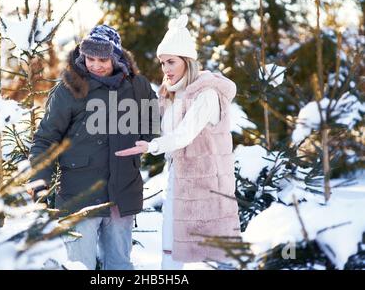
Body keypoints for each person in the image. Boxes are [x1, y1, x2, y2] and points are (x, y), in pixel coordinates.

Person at [28, 24, 159, 270]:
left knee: (120, 264)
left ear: (117, 56)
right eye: (90, 58)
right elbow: (46, 138)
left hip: (123, 191)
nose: (96, 65)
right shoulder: (69, 89)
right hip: (80, 196)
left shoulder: (138, 86)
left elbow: (152, 125)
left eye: (103, 59)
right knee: (80, 265)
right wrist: (39, 182)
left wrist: (141, 141)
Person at [115, 14, 240, 269]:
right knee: (171, 248)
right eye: (162, 63)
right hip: (177, 178)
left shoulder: (207, 94)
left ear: (187, 61)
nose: (166, 69)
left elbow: (184, 135)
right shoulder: (170, 95)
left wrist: (151, 147)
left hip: (208, 184)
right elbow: (152, 124)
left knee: (220, 252)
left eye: (171, 62)